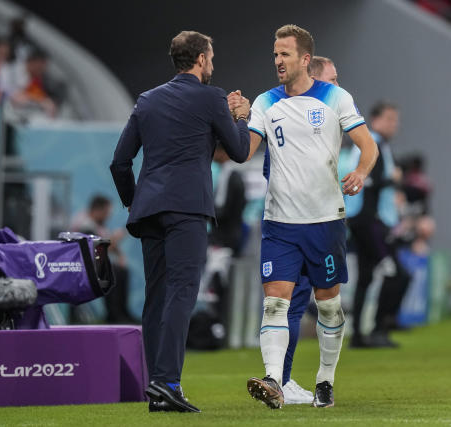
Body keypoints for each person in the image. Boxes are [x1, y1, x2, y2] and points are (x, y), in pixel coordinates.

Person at [236, 25, 377, 409]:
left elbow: (368, 145)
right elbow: (243, 151)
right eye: (275, 54)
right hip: (280, 224)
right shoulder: (266, 102)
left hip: (325, 221)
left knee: (329, 305)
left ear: (304, 60)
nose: (277, 61)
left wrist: (360, 173)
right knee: (275, 303)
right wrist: (238, 118)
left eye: (284, 54)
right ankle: (274, 379)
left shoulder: (335, 97)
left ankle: (325, 380)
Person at [110, 30, 250, 413]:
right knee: (182, 291)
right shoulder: (211, 97)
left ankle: (157, 388)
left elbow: (120, 163)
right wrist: (241, 117)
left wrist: (133, 204)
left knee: (156, 297)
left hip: (149, 210)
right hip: (187, 209)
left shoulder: (148, 100)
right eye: (212, 57)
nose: (214, 64)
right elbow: (238, 151)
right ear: (201, 59)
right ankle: (168, 382)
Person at [278, 54, 341, 405]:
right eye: (333, 80)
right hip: (300, 222)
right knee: (291, 302)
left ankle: (282, 378)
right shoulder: (302, 120)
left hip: (307, 219)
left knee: (294, 303)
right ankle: (282, 380)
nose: (338, 86)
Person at [346, 102, 411, 348]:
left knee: (366, 277)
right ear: (375, 119)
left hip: (367, 220)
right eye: (390, 119)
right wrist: (392, 180)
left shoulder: (378, 145)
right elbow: (369, 183)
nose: (394, 125)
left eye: (396, 120)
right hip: (370, 222)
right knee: (397, 274)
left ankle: (359, 336)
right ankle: (379, 328)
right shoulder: (371, 145)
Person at [70, 195, 135, 324]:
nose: (108, 216)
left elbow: (105, 244)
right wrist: (115, 239)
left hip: (93, 264)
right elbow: (96, 251)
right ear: (97, 210)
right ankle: (114, 314)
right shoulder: (85, 224)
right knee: (113, 271)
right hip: (81, 267)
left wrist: (120, 255)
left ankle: (122, 312)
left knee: (122, 270)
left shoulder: (98, 225)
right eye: (106, 213)